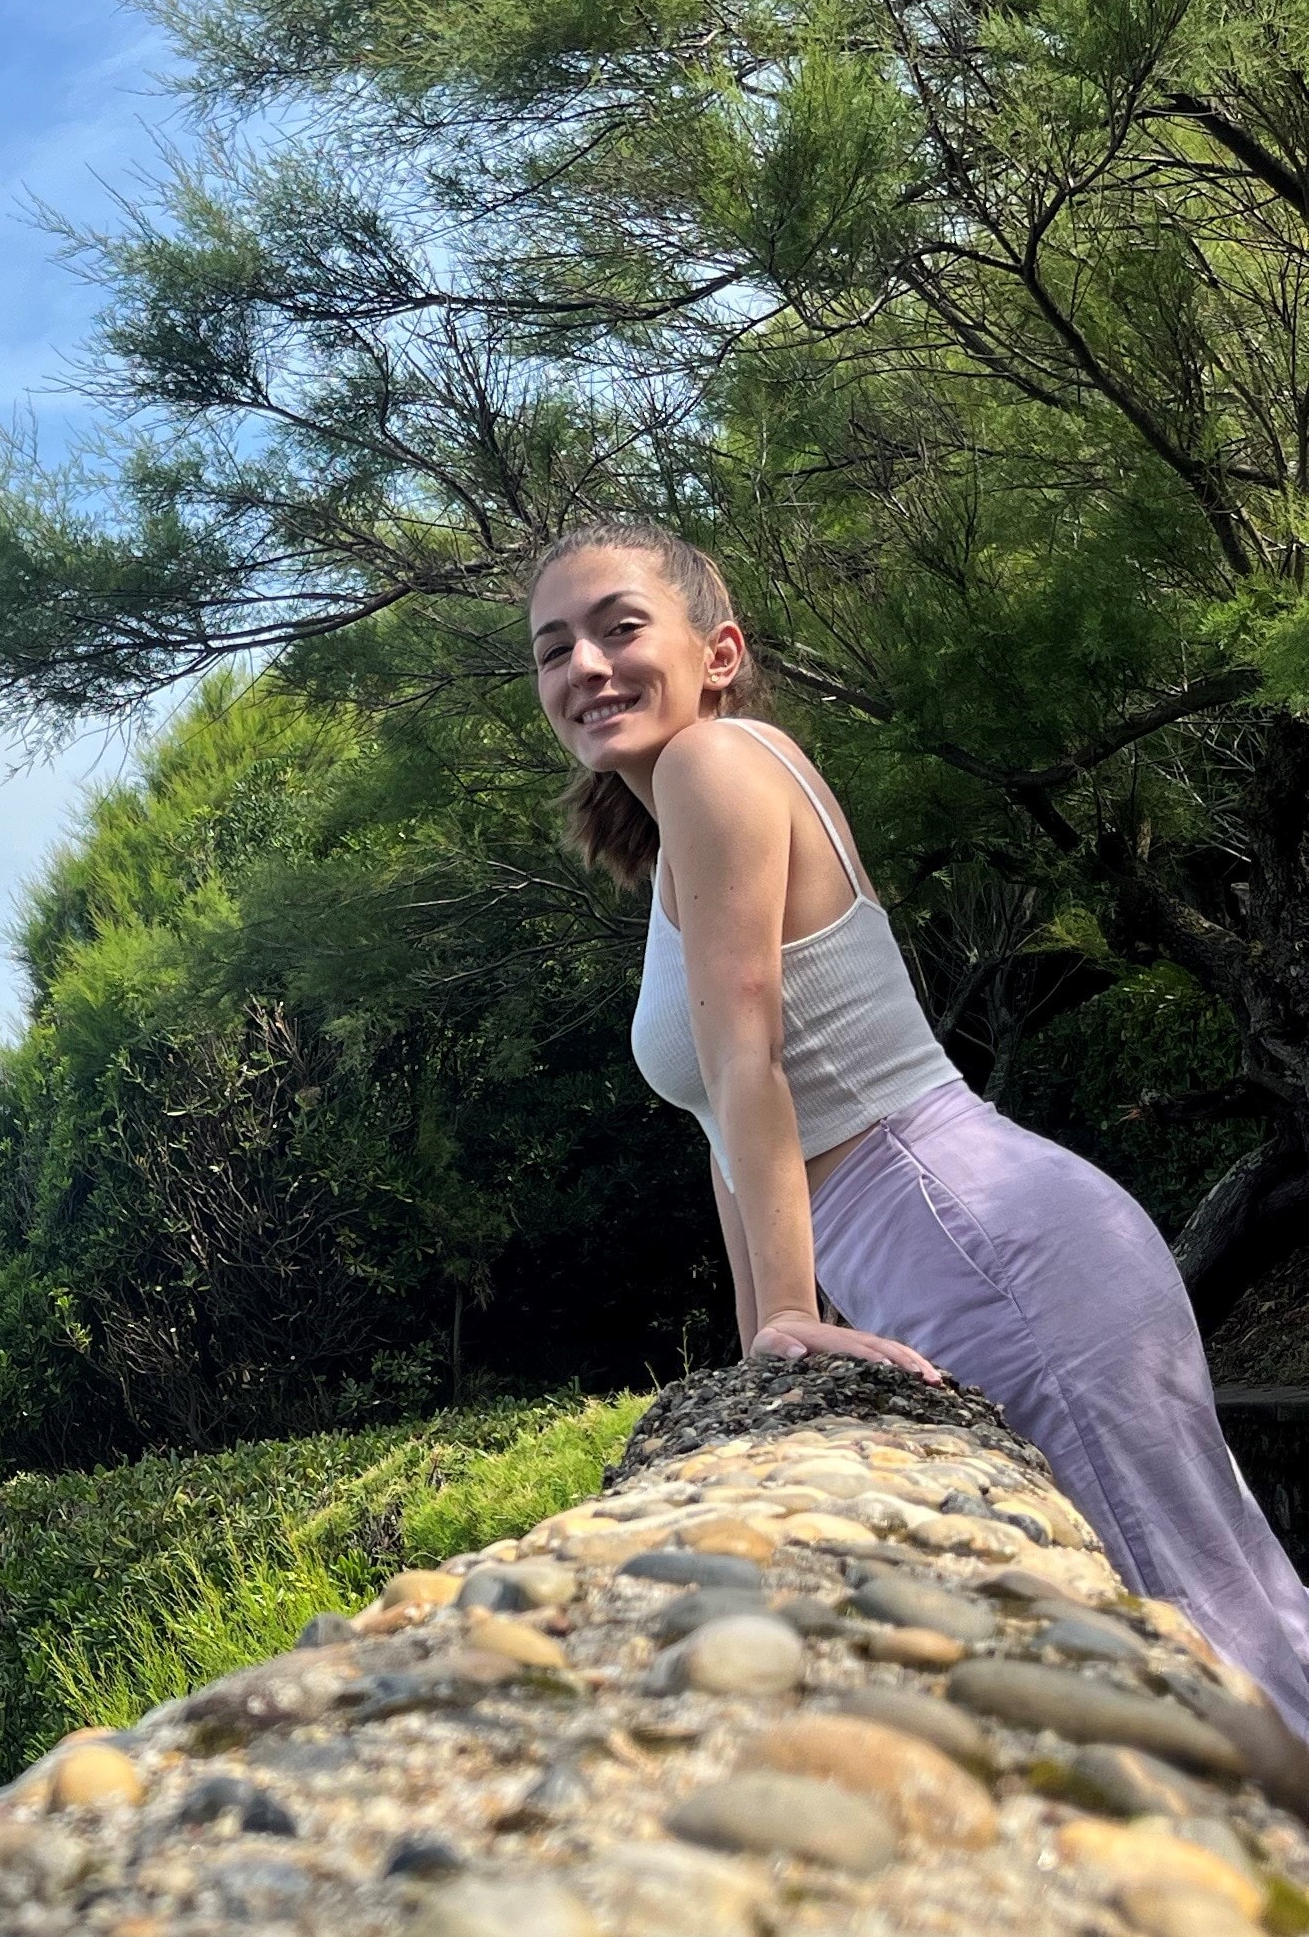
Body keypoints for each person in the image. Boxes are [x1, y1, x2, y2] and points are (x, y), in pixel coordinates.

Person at [530, 516, 1309, 1729]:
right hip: (961, 1234)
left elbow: (754, 1058)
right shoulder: (686, 821)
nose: (585, 665)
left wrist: (793, 1311)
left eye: (620, 627)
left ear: (718, 651)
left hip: (974, 1235)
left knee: (1206, 1646)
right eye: (553, 648)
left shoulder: (714, 767)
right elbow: (727, 1134)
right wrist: (761, 1349)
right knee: (1224, 1616)